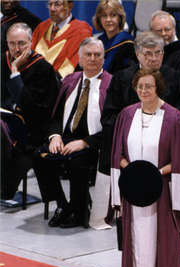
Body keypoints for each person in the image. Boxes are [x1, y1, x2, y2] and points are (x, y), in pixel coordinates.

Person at [111, 69, 180, 267]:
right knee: (136, 239)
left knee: (164, 241)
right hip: (135, 189)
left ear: (158, 87)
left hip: (162, 190)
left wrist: (155, 174)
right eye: (140, 87)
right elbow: (118, 153)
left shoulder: (174, 118)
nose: (144, 91)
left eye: (149, 86)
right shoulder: (127, 115)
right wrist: (134, 171)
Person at [34, 37, 112, 229]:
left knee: (77, 162)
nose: (93, 59)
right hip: (66, 138)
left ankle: (78, 211)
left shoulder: (112, 85)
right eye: (88, 54)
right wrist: (55, 136)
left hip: (95, 143)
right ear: (79, 58)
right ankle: (62, 205)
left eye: (97, 55)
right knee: (39, 156)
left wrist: (85, 142)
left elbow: (113, 126)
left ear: (103, 58)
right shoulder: (70, 80)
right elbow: (55, 115)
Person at [100, 30, 180, 176]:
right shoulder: (122, 78)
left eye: (158, 53)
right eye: (148, 53)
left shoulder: (176, 78)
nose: (154, 58)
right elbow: (109, 116)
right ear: (137, 54)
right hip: (128, 147)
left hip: (164, 147)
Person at [1, 22, 59, 199]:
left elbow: (35, 109)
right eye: (12, 43)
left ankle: (4, 186)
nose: (16, 49)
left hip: (31, 129)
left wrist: (16, 73)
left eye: (21, 43)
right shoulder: (2, 60)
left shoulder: (43, 68)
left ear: (31, 43)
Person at [31, 0, 92, 78]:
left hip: (61, 85)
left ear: (70, 6)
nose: (52, 9)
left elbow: (71, 68)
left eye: (57, 4)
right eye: (50, 4)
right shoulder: (41, 28)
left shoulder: (81, 32)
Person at [92, 0, 135, 74]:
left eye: (113, 15)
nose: (108, 20)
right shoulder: (96, 42)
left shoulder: (128, 44)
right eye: (104, 16)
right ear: (99, 19)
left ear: (120, 18)